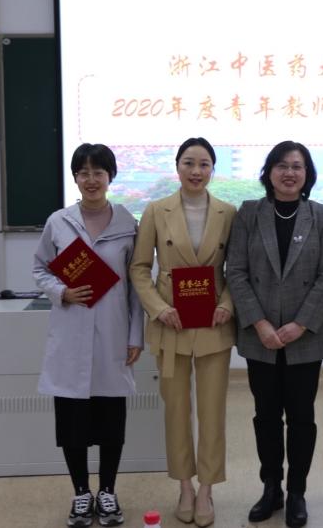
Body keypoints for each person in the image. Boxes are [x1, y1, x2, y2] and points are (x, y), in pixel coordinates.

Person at [225, 140, 323, 528]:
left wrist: (300, 324)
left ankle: (297, 492)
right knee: (266, 417)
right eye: (282, 165)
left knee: (302, 417)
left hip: (304, 337)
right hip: (260, 336)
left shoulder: (322, 216)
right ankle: (271, 487)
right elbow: (236, 271)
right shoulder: (249, 213)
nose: (289, 173)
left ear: (307, 174)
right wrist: (259, 323)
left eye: (297, 166)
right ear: (269, 172)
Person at [33, 142, 144, 528]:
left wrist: (135, 336)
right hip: (71, 334)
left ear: (111, 176)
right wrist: (60, 291)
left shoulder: (128, 224)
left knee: (112, 419)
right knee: (72, 422)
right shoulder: (58, 222)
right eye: (84, 173)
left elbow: (136, 286)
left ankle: (108, 491)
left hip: (114, 335)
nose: (91, 179)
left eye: (99, 172)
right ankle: (81, 493)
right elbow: (40, 268)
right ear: (75, 178)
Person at [129, 138, 236, 528]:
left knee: (212, 411)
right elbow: (140, 268)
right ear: (177, 167)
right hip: (170, 322)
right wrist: (159, 308)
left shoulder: (228, 212)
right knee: (176, 410)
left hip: (213, 323)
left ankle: (207, 488)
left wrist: (228, 304)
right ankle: (185, 486)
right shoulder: (156, 210)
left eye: (204, 164)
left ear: (213, 170)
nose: (196, 171)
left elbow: (237, 268)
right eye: (189, 162)